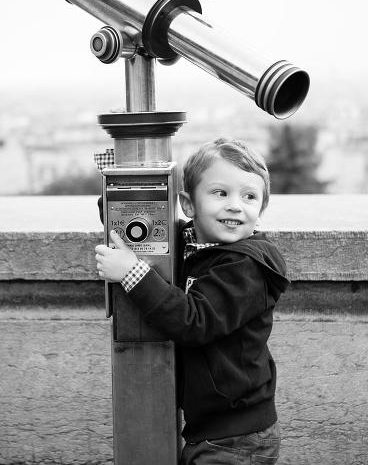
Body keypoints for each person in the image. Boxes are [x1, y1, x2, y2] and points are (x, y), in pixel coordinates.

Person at [95, 138, 289, 464]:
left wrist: (132, 272)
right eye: (220, 193)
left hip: (238, 437)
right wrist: (121, 184)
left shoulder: (246, 267)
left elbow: (194, 320)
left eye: (249, 196)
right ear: (188, 205)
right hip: (212, 430)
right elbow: (143, 221)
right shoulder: (194, 244)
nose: (235, 205)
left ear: (262, 209)